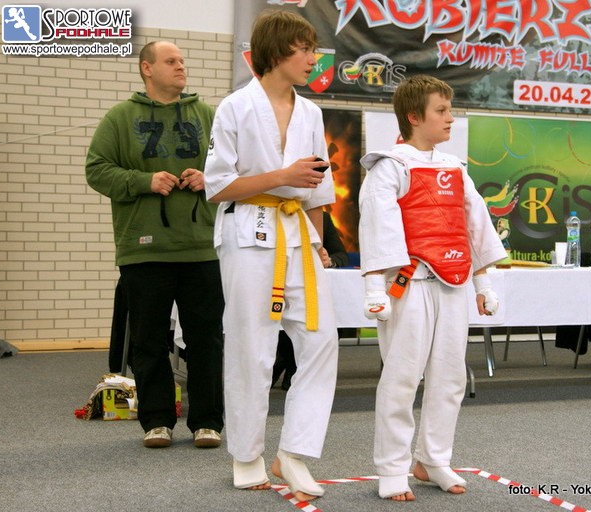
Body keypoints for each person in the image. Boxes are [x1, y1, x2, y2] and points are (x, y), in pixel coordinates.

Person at [204, 10, 339, 503]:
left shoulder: (311, 113)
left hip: (299, 234)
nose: (313, 58)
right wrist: (282, 176)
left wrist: (320, 244)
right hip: (248, 231)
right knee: (252, 345)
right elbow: (218, 186)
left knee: (322, 341)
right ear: (278, 51)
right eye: (305, 49)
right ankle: (246, 455)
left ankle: (295, 452)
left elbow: (317, 188)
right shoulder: (235, 107)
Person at [358, 75, 507, 501]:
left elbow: (474, 226)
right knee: (402, 377)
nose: (450, 118)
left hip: (453, 285)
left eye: (449, 109)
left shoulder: (455, 169)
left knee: (450, 377)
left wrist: (483, 281)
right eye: (441, 111)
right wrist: (375, 287)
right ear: (414, 116)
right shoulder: (390, 167)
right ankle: (392, 467)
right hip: (409, 286)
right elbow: (377, 229)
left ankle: (433, 459)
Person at [86, 41, 225, 449]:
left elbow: (235, 166)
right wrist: (143, 181)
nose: (181, 66)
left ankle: (207, 422)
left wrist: (209, 178)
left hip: (202, 248)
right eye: (171, 61)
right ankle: (157, 421)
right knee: (147, 342)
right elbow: (96, 170)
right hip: (143, 249)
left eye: (182, 61)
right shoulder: (120, 118)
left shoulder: (207, 116)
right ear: (147, 68)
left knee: (206, 340)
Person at [272, 211, 348, 391]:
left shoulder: (322, 218)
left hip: (312, 283)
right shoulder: (272, 214)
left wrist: (329, 260)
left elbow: (342, 255)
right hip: (276, 277)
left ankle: (293, 366)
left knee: (327, 324)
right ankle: (287, 361)